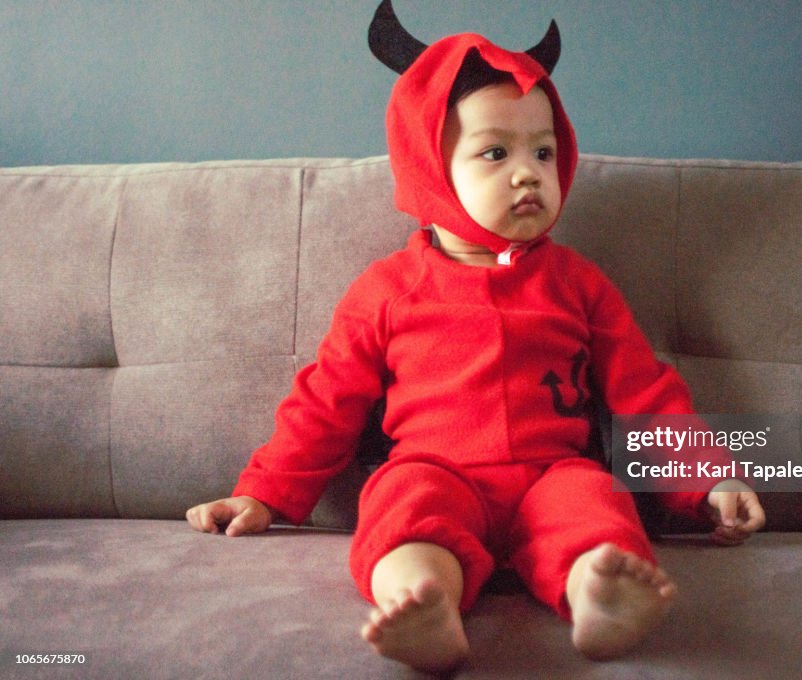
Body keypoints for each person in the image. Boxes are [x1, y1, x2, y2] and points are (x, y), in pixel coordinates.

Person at [186, 1, 765, 672]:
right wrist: (262, 492)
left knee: (595, 507)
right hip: (436, 470)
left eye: (543, 152)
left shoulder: (578, 283)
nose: (528, 173)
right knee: (403, 506)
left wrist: (710, 478)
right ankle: (421, 602)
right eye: (496, 152)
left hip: (554, 472)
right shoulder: (388, 288)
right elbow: (325, 403)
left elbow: (648, 394)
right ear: (431, 167)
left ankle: (599, 597)